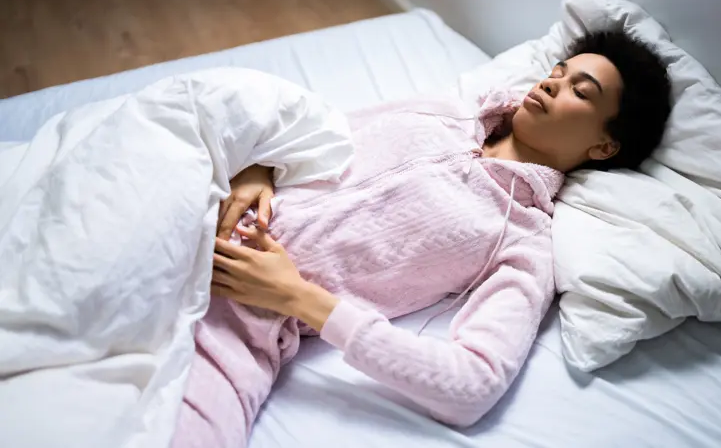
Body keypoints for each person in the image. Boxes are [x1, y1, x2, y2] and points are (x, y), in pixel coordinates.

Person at [171, 31, 672, 447]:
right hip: (191, 216)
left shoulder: (523, 240)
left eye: (580, 91)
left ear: (604, 145)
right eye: (559, 70)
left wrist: (297, 298)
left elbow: (472, 385)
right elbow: (309, 131)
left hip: (238, 329)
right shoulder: (439, 110)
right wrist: (255, 169)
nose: (551, 82)